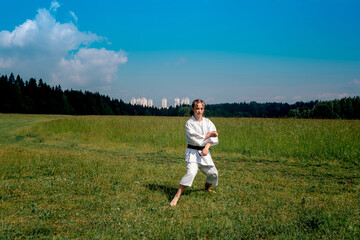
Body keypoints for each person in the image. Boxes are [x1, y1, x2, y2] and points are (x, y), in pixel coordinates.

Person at [170, 99, 219, 207]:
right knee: (191, 173)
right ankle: (177, 196)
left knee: (213, 173)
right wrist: (210, 135)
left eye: (201, 108)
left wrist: (206, 148)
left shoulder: (208, 122)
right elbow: (195, 138)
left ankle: (207, 188)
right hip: (192, 153)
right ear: (193, 109)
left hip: (204, 153)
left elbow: (213, 137)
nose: (199, 111)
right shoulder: (189, 123)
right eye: (197, 108)